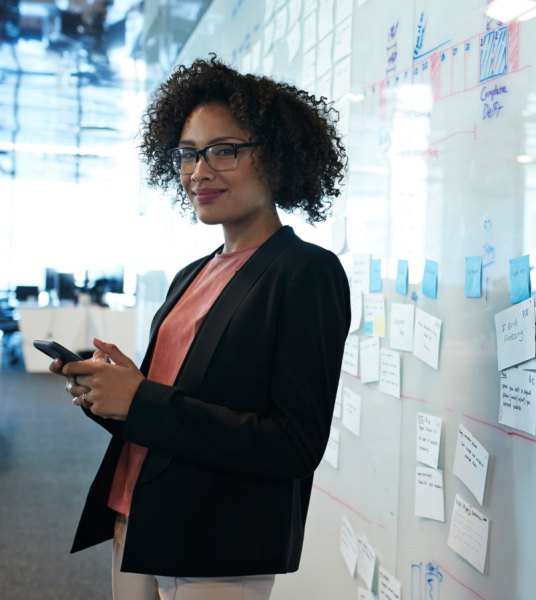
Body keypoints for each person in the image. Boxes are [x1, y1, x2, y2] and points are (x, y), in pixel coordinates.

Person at [50, 55, 351, 599]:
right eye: (187, 155)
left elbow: (293, 443)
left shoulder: (305, 272)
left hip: (216, 538)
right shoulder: (193, 273)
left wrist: (140, 400)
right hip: (135, 513)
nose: (198, 172)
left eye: (224, 151)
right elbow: (177, 406)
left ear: (278, 158)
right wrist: (112, 392)